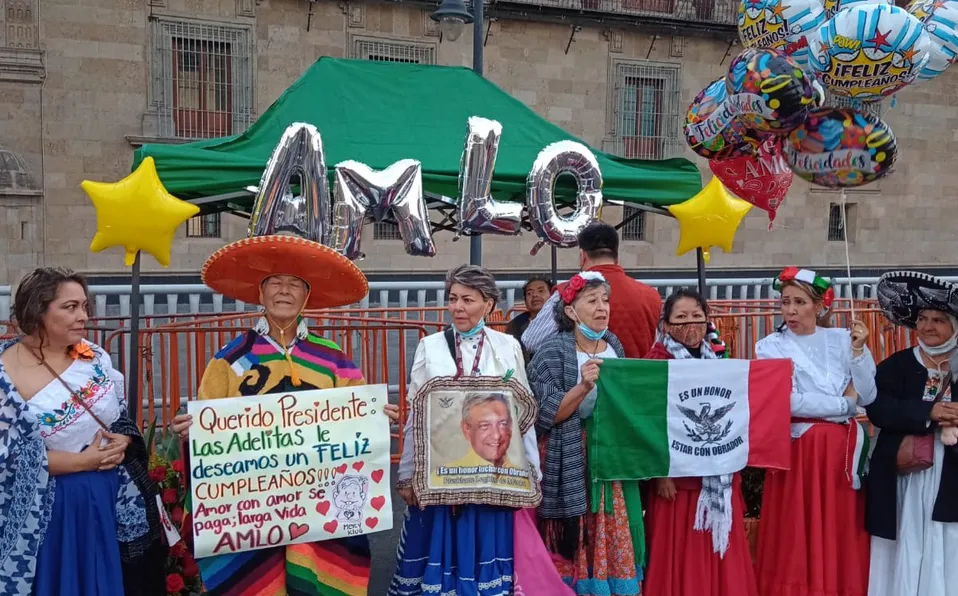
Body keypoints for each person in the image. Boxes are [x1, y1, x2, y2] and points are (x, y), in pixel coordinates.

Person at [169, 235, 399, 595]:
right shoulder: (229, 358)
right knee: (256, 579)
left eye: (294, 284)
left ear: (306, 296)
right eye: (274, 283)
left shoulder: (332, 357)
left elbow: (357, 421)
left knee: (318, 575)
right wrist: (192, 431)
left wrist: (377, 417)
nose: (284, 291)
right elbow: (209, 427)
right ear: (260, 294)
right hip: (253, 501)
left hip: (319, 498)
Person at [389, 264, 564, 595]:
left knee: (484, 554)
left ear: (489, 305)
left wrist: (531, 472)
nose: (457, 307)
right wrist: (407, 473)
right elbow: (417, 414)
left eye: (468, 300)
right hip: (443, 476)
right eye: (453, 298)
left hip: (491, 478)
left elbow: (521, 413)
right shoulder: (432, 347)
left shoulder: (507, 346)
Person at [0, 267, 166, 596]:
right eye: (70, 307)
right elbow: (8, 458)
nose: (84, 317)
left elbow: (118, 415)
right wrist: (84, 462)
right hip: (53, 511)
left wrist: (125, 438)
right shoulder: (5, 374)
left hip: (109, 500)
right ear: (37, 310)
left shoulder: (94, 357)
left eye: (85, 306)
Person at [753, 267, 876, 596]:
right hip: (800, 450)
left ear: (819, 305)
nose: (790, 310)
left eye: (799, 302)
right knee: (797, 531)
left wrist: (860, 353)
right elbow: (788, 401)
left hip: (840, 453)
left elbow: (868, 393)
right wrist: (843, 406)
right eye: (784, 302)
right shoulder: (770, 346)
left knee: (839, 528)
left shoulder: (843, 339)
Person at [527, 271, 642, 595]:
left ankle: (605, 584)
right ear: (571, 311)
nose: (602, 307)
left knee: (607, 528)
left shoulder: (614, 346)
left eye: (605, 300)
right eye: (592, 301)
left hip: (607, 460)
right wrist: (583, 386)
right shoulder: (551, 353)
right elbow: (545, 416)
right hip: (568, 458)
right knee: (572, 535)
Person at [642, 289, 758, 596]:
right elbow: (647, 421)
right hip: (677, 480)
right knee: (679, 548)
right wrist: (660, 473)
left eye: (697, 315)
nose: (690, 323)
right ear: (666, 324)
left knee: (718, 548)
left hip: (717, 474)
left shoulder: (719, 359)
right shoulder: (654, 363)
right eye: (680, 317)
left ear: (708, 320)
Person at [866, 271, 958, 595]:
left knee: (945, 538)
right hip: (905, 475)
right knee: (908, 537)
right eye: (923, 318)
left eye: (938, 319)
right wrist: (927, 413)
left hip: (951, 477)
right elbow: (877, 407)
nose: (928, 326)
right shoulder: (897, 365)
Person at [522, 222, 661, 359]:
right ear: (616, 257)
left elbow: (531, 341)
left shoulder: (567, 292)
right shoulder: (652, 296)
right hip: (636, 379)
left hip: (582, 378)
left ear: (582, 256)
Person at [506, 276, 554, 348]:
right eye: (529, 293)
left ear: (552, 296)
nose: (535, 295)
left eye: (540, 291)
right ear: (525, 301)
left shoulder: (561, 321)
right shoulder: (515, 325)